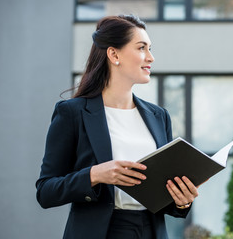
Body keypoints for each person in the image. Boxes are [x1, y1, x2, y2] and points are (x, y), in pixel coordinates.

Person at [36, 14, 199, 239]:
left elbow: (163, 200)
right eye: (142, 48)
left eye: (150, 48)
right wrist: (95, 174)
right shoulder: (72, 113)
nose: (150, 57)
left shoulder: (159, 116)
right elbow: (46, 191)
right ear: (114, 54)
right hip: (102, 232)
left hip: (151, 231)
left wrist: (181, 201)